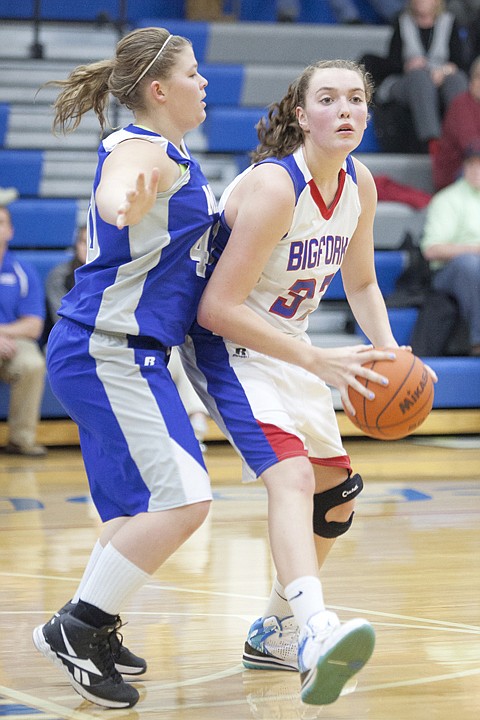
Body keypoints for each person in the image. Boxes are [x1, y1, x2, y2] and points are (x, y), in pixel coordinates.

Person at [181, 59, 433, 706]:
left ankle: (275, 630)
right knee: (292, 477)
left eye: (356, 98)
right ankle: (316, 626)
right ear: (301, 114)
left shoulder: (360, 183)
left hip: (289, 348)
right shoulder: (274, 187)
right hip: (230, 346)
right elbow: (216, 308)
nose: (345, 109)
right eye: (328, 98)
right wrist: (317, 360)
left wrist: (389, 355)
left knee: (338, 494)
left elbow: (363, 283)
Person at [32, 26, 218, 710]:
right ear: (159, 89)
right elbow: (118, 189)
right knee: (186, 499)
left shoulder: (166, 150)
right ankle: (77, 627)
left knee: (131, 509)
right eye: (194, 74)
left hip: (108, 347)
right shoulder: (142, 151)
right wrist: (123, 204)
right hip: (110, 348)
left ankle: (96, 624)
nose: (204, 84)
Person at [45, 225, 210, 443]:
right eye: (83, 243)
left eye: (92, 242)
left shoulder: (123, 272)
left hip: (126, 339)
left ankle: (195, 418)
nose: (88, 248)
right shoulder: (62, 275)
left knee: (181, 353)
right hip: (75, 341)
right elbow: (64, 316)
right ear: (77, 246)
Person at [375, 0, 469, 152]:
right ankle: (433, 143)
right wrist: (408, 65)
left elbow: (459, 62)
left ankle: (462, 140)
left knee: (456, 80)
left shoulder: (449, 21)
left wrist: (443, 71)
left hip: (441, 76)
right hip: (408, 80)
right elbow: (391, 63)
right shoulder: (402, 21)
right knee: (420, 79)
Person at [420, 140, 480, 355]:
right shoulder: (448, 199)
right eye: (472, 164)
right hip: (448, 273)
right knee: (470, 265)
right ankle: (478, 340)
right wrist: (475, 250)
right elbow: (431, 250)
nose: (476, 170)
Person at [0, 205, 47, 457]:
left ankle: (21, 441)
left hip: (15, 343)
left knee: (32, 363)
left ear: (10, 231)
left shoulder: (22, 271)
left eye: (0, 222)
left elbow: (33, 324)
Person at [432, 56, 480, 190]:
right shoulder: (461, 104)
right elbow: (472, 147)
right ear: (472, 80)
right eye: (478, 77)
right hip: (456, 172)